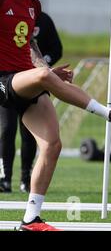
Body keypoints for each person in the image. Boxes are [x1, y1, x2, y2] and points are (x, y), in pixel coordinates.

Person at [0, 0, 111, 231]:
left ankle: (30, 219)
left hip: (23, 79)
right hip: (2, 80)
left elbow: (30, 45)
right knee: (42, 82)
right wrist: (43, 75)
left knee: (52, 145)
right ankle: (109, 114)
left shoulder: (33, 6)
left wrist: (44, 71)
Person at [0, 11, 62, 194]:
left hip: (35, 83)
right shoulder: (6, 14)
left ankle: (26, 179)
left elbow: (56, 49)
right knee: (6, 129)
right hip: (9, 82)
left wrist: (42, 65)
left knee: (30, 133)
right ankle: (5, 178)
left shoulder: (43, 19)